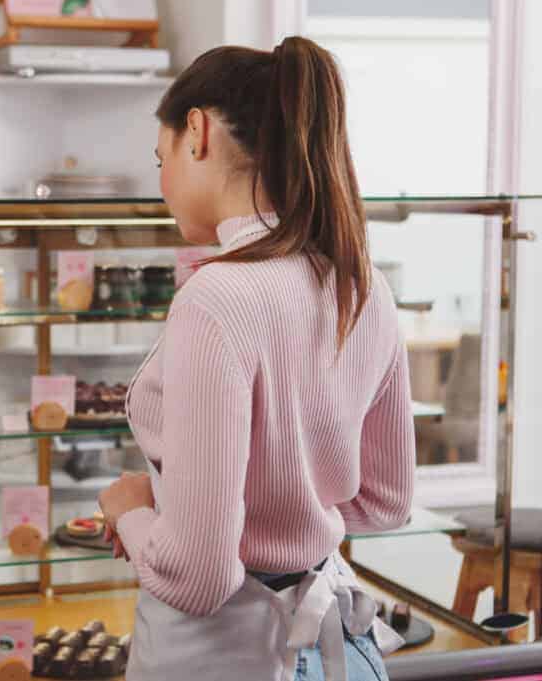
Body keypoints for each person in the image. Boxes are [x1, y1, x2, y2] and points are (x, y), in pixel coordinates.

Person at [98, 36, 416, 681]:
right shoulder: (359, 280)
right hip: (338, 649)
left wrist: (128, 507)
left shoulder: (217, 297)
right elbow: (386, 501)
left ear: (198, 132)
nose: (161, 184)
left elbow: (198, 578)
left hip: (223, 656)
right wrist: (287, 511)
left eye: (159, 158)